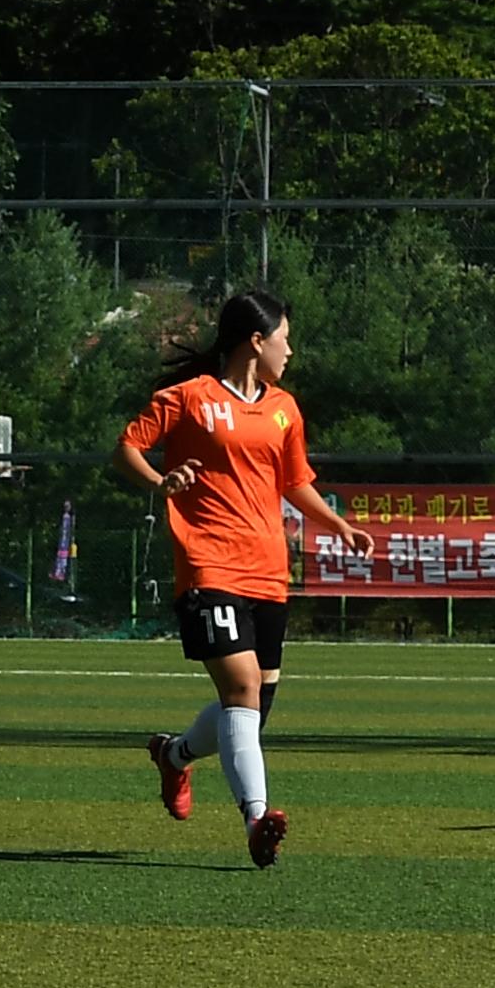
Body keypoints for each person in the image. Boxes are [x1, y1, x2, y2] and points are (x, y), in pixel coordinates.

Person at [122, 290, 373, 868]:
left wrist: (337, 523)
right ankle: (257, 820)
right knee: (240, 690)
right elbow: (127, 449)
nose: (292, 349)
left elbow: (294, 481)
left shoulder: (284, 407)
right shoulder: (189, 398)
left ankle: (175, 754)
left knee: (254, 705)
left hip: (267, 570)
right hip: (209, 565)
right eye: (285, 337)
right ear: (256, 342)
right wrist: (160, 481)